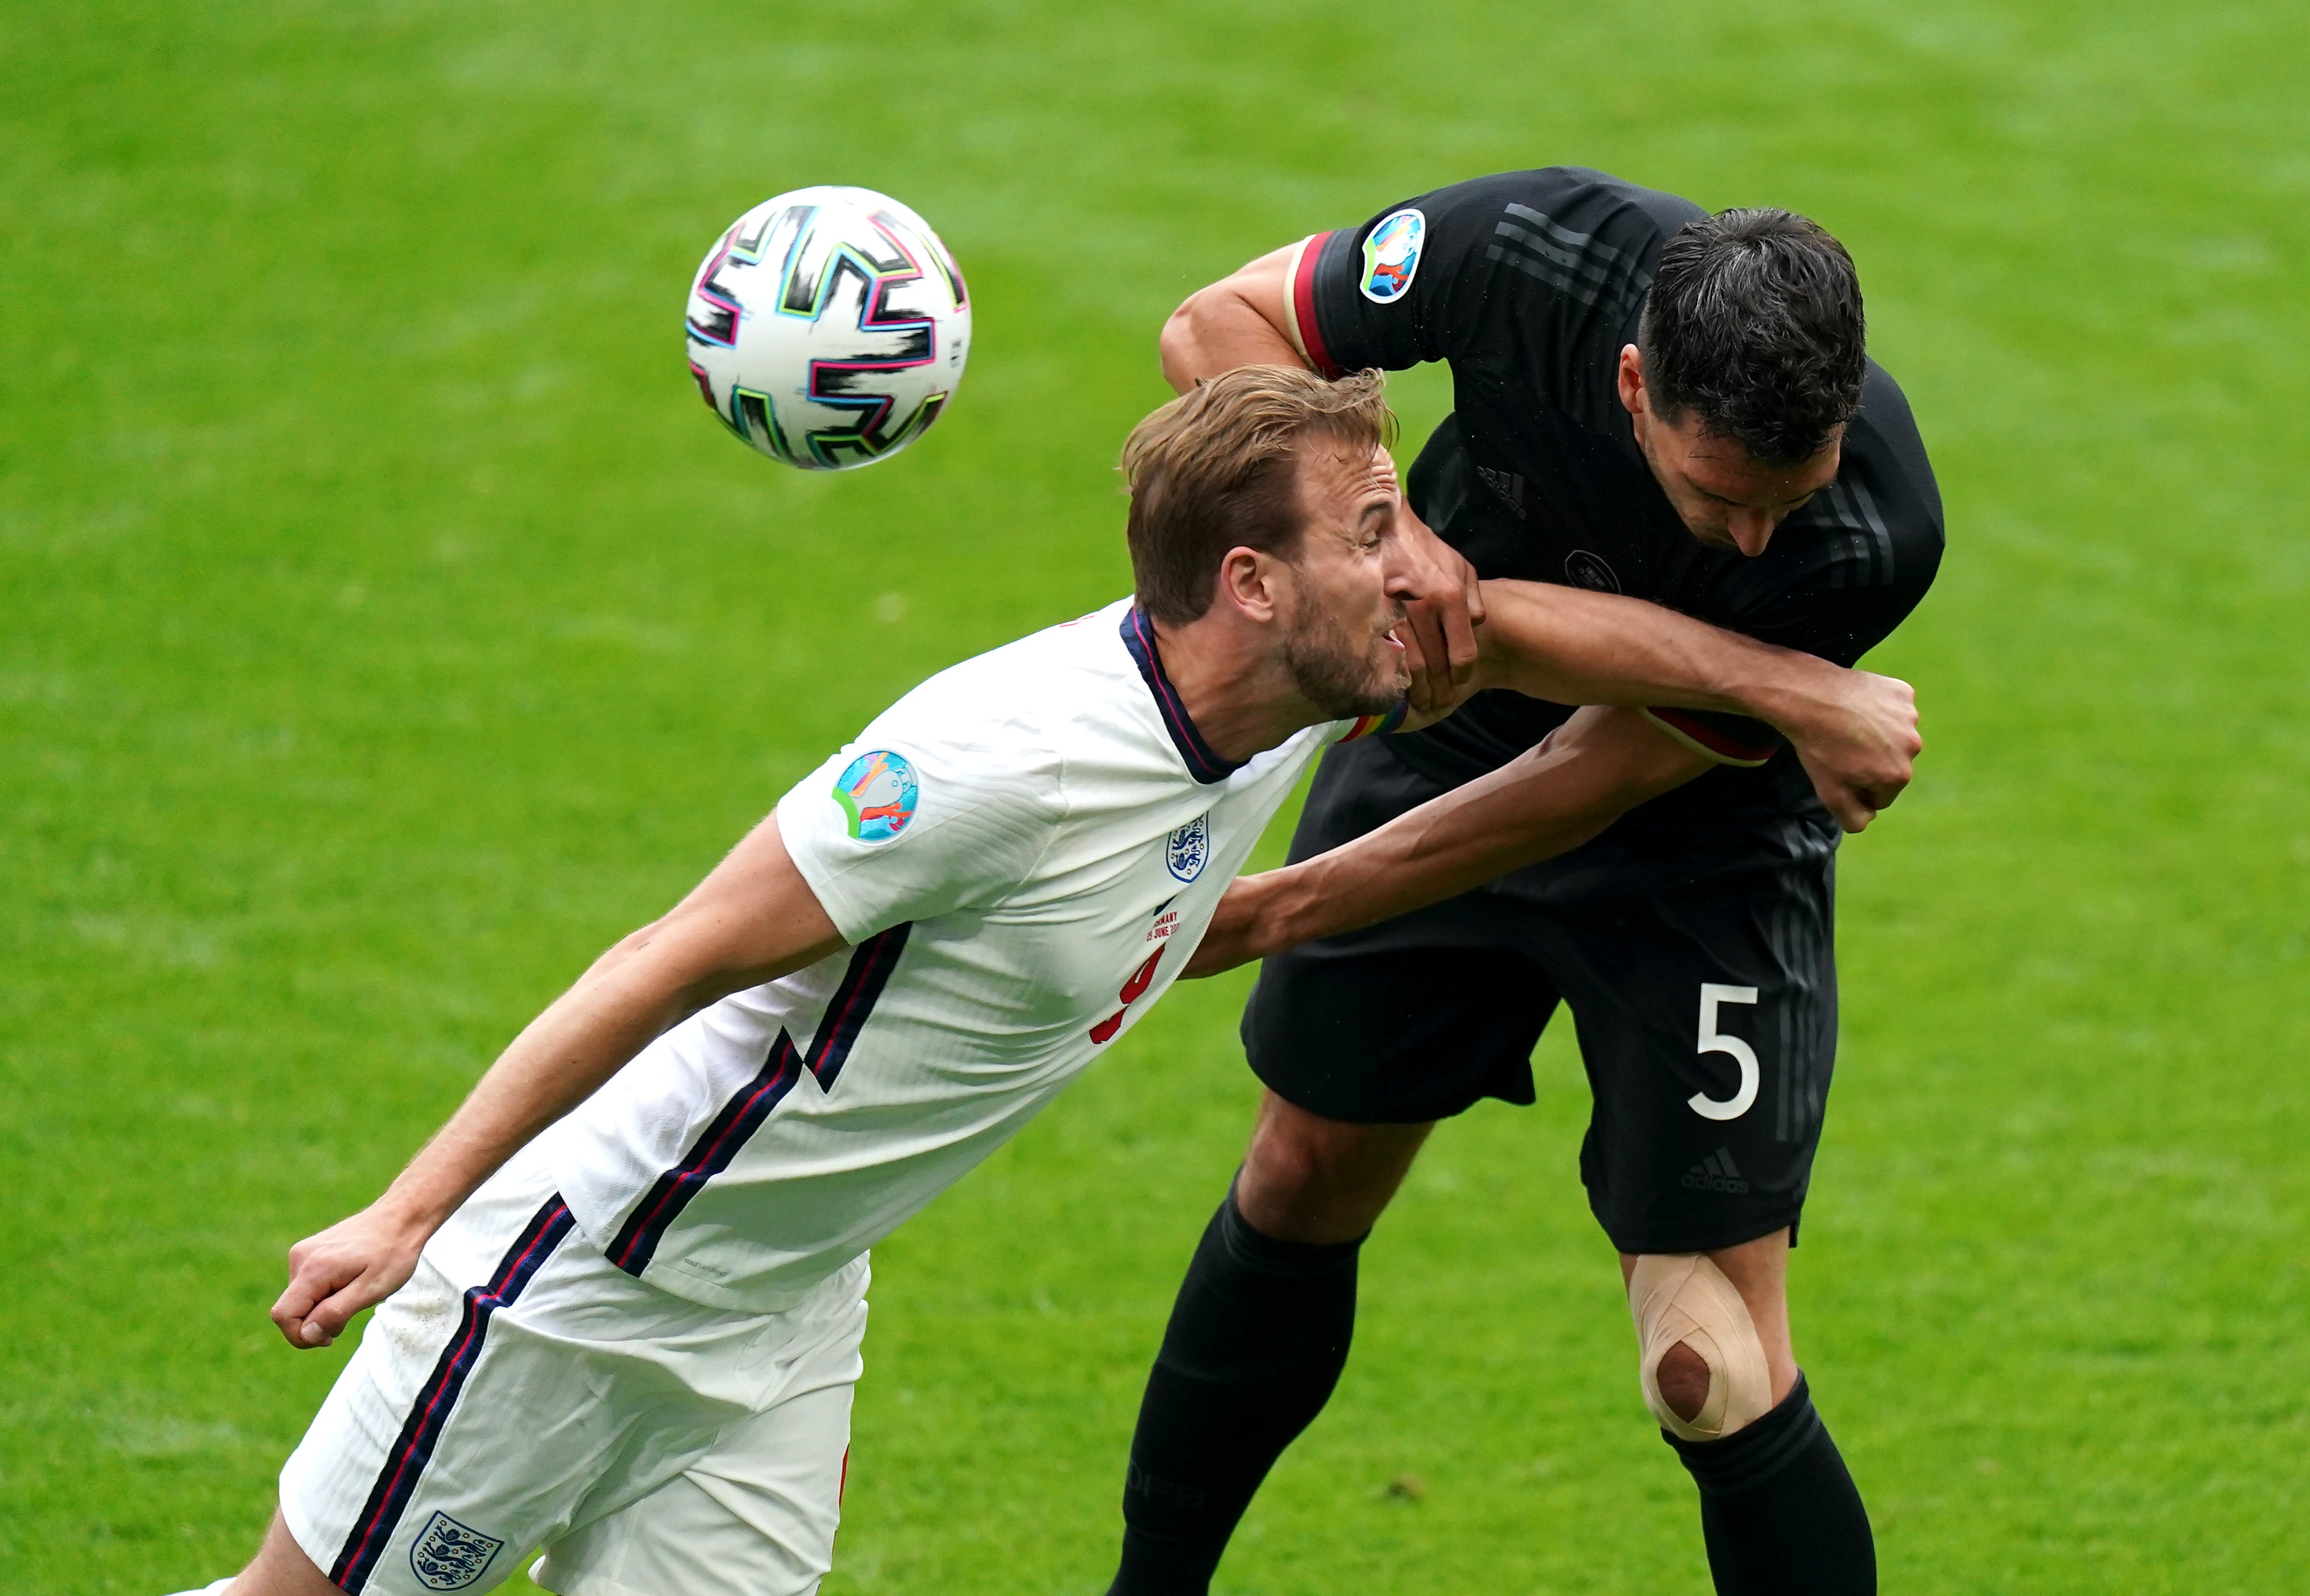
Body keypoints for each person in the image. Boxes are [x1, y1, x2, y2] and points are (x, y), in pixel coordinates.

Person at [163, 364, 1914, 1596]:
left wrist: (1798, 693)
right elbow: (666, 957)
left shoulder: (1266, 711)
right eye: (1379, 528)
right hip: (583, 1284)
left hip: (785, 1317)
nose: (1427, 567)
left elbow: (1450, 718)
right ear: (1251, 580)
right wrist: (410, 1213)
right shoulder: (990, 764)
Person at [1107, 171, 1944, 1596]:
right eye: (1713, 498)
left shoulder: (1870, 526)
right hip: (1438, 734)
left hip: (1700, 843)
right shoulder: (1530, 250)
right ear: (1630, 385)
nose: (1749, 544)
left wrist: (1287, 906)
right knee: (1300, 1176)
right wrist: (1391, 539)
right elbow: (1217, 327)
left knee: (1710, 1369)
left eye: (1779, 508)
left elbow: (1594, 775)